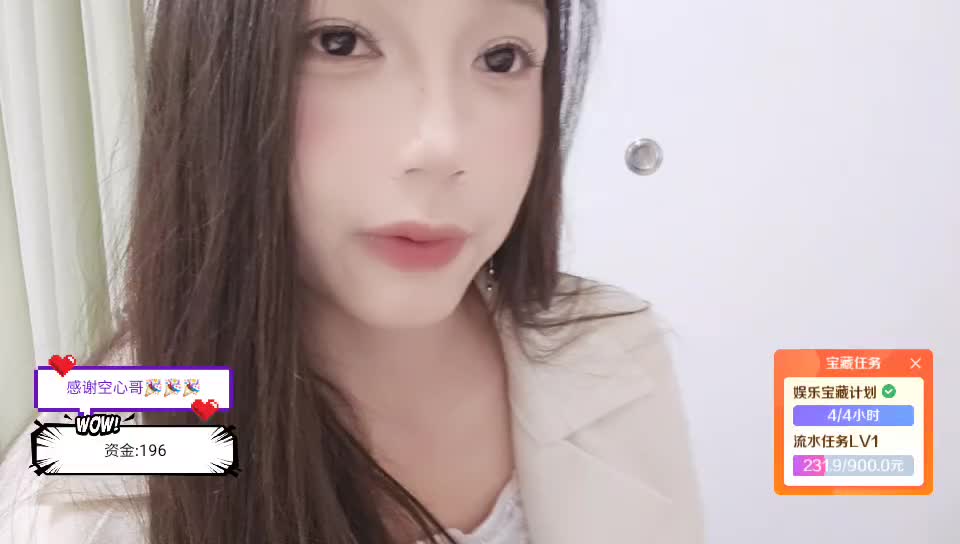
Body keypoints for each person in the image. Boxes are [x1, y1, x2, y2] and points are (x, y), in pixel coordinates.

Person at [0, 0, 703, 542]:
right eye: (340, 43)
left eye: (501, 57)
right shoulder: (96, 460)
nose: (441, 146)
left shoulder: (611, 344)